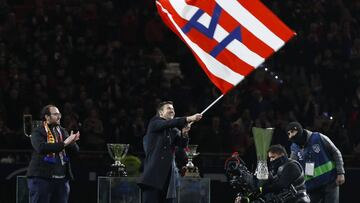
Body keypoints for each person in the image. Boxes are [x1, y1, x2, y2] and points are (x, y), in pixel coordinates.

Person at [138, 101, 202, 203]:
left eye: (173, 109)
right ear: (161, 113)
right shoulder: (154, 122)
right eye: (168, 108)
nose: (172, 110)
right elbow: (168, 123)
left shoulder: (174, 131)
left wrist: (184, 134)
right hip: (153, 177)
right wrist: (189, 118)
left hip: (169, 178)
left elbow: (182, 145)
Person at [26, 104, 80, 203]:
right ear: (47, 117)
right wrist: (64, 143)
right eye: (55, 114)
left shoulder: (62, 131)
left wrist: (72, 143)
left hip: (61, 180)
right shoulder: (38, 131)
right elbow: (41, 148)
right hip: (41, 178)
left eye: (59, 114)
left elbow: (76, 152)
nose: (59, 116)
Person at [286, 121, 345, 203]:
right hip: (311, 187)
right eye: (288, 134)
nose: (291, 135)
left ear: (299, 130)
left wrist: (340, 173)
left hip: (330, 182)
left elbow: (336, 152)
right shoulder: (294, 148)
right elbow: (293, 166)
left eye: (292, 132)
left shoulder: (318, 137)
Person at [232, 144, 310, 203]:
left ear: (282, 155)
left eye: (273, 157)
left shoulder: (291, 166)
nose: (271, 160)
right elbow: (265, 184)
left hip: (298, 200)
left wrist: (262, 189)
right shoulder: (277, 169)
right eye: (269, 158)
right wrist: (248, 198)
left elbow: (280, 185)